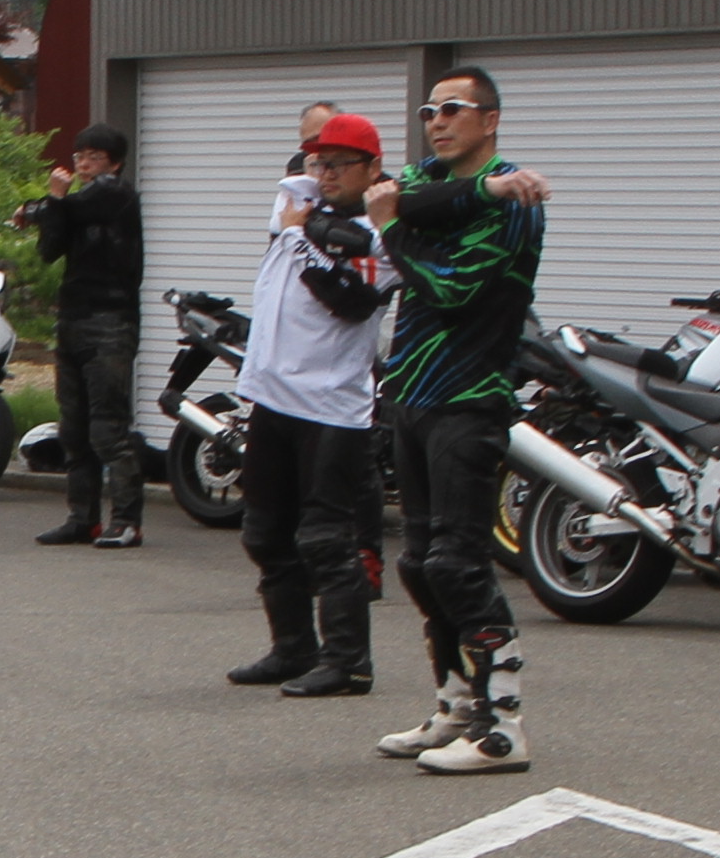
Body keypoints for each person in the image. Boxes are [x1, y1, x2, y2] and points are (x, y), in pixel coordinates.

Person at [366, 69, 553, 772]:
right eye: (428, 111)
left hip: (468, 397)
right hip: (411, 396)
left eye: (452, 109)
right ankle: (455, 705)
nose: (436, 122)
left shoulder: (520, 201)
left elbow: (448, 288)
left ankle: (503, 726)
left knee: (458, 562)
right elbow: (396, 194)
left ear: (490, 119)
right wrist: (471, 193)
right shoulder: (442, 182)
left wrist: (394, 227)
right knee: (418, 562)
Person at [226, 111, 389, 701]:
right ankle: (293, 648)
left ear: (372, 167)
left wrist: (299, 237)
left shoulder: (378, 232)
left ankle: (349, 662)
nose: (327, 174)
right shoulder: (301, 211)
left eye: (342, 163)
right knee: (264, 533)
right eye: (320, 162)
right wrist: (299, 224)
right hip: (273, 399)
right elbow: (291, 204)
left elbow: (351, 301)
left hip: (330, 408)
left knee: (324, 537)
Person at [21, 123, 147, 548]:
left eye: (95, 157)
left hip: (110, 323)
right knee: (73, 430)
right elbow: (49, 249)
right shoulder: (76, 205)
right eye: (79, 156)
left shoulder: (117, 194)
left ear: (115, 163)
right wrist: (48, 209)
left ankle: (127, 520)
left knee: (108, 428)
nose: (84, 164)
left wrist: (46, 204)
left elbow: (69, 207)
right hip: (73, 318)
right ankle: (82, 518)